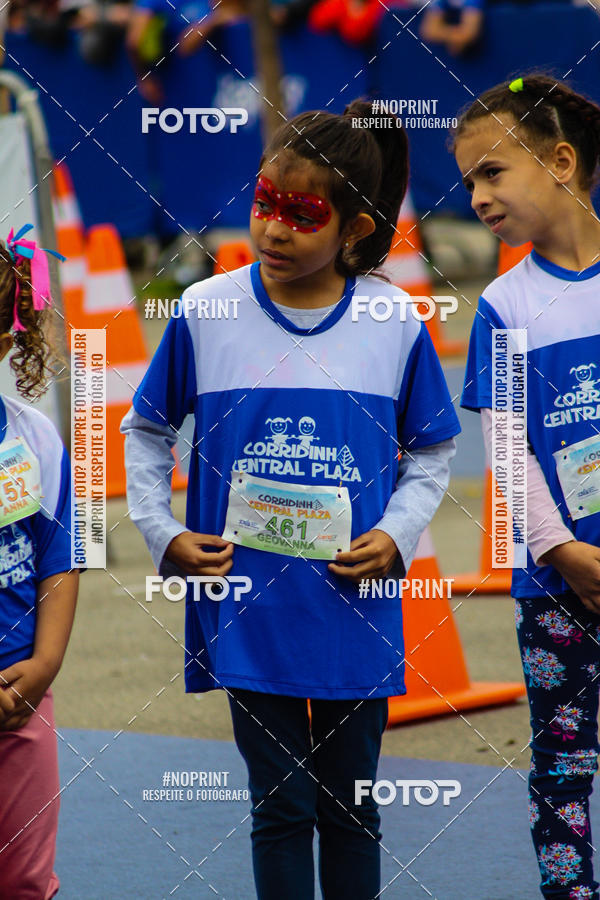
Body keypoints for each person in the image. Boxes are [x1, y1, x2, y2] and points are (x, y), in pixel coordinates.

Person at [121, 98, 460, 899]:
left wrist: (400, 534)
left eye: (303, 213)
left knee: (352, 811)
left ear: (356, 228)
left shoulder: (394, 321)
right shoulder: (205, 310)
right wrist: (161, 531)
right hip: (248, 611)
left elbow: (435, 451)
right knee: (281, 806)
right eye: (266, 202)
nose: (274, 228)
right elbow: (144, 431)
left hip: (356, 610)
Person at [456, 74, 600, 899]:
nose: (477, 195)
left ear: (561, 162)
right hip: (557, 586)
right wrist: (563, 550)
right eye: (469, 179)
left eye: (493, 172)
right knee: (563, 766)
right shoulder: (505, 307)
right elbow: (508, 447)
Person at [0, 225, 78, 898]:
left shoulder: (35, 439)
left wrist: (44, 665)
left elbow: (60, 556)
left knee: (24, 877)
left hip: (18, 698)